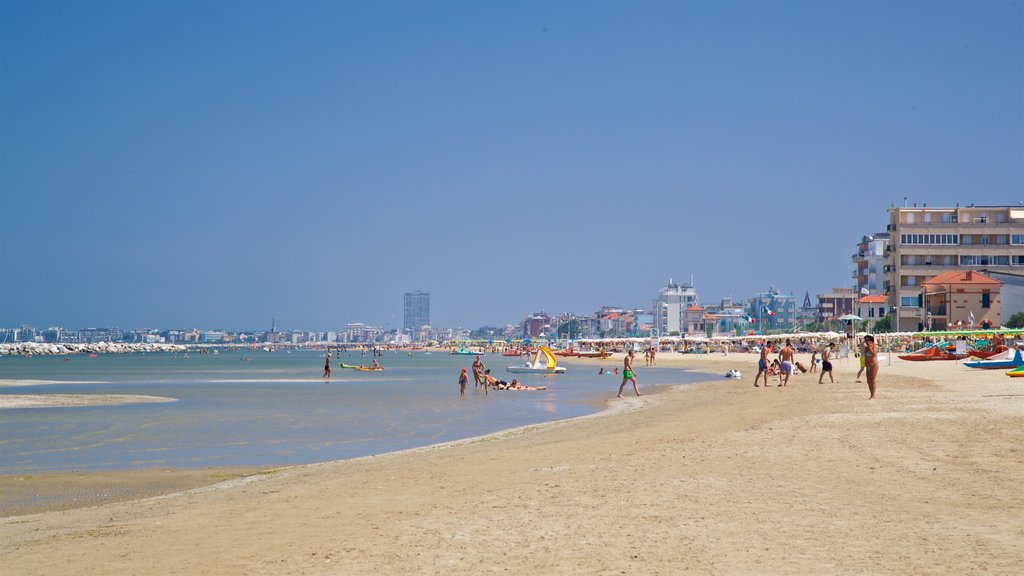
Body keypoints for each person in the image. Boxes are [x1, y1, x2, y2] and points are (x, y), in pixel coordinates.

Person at [863, 334, 880, 399]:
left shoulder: (874, 346)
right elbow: (864, 354)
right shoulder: (866, 347)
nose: (867, 342)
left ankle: (873, 395)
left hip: (873, 365)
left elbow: (874, 354)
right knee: (868, 381)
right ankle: (871, 394)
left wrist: (870, 347)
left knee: (872, 380)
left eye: (868, 340)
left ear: (871, 340)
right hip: (867, 365)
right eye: (866, 340)